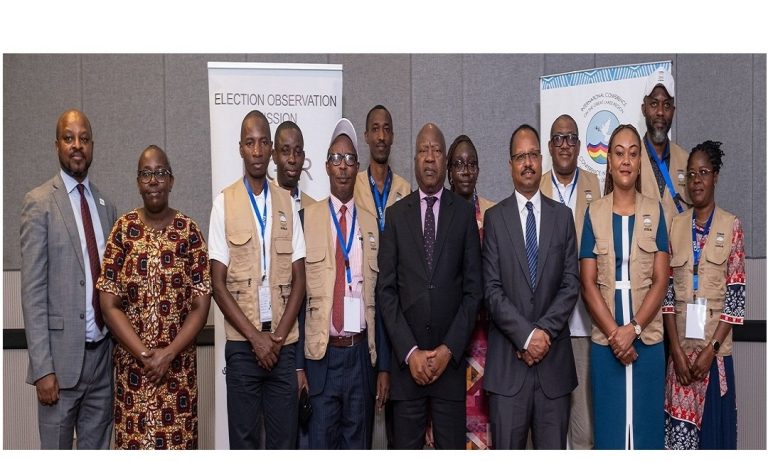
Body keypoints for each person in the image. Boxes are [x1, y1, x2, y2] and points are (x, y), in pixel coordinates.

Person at [97, 145, 211, 449]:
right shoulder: (122, 231)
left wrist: (168, 354)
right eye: (146, 174)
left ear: (171, 181)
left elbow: (201, 304)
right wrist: (145, 355)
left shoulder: (190, 232)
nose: (153, 181)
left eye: (160, 173)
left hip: (178, 375)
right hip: (134, 376)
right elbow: (108, 303)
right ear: (138, 182)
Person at [377, 122, 482, 449]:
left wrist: (448, 348)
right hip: (408, 370)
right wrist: (410, 352)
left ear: (444, 159)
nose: (430, 157)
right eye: (423, 150)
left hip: (449, 368)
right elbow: (386, 291)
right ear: (415, 159)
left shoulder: (463, 214)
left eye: (436, 150)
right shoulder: (396, 216)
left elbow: (474, 291)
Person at [208, 110, 306, 449]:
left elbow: (300, 280)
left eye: (264, 142)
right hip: (242, 346)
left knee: (284, 444)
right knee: (244, 443)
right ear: (240, 148)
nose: (257, 150)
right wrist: (255, 339)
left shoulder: (287, 203)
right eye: (250, 143)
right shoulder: (224, 203)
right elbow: (217, 284)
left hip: (282, 346)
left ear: (271, 150)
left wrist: (276, 340)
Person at [20, 109, 117, 449]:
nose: (77, 145)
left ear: (92, 146)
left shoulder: (105, 206)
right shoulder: (39, 204)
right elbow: (32, 293)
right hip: (59, 369)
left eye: (84, 139)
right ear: (57, 145)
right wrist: (43, 369)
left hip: (102, 362)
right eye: (69, 138)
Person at [483, 124, 579, 449]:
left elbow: (570, 284)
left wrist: (542, 335)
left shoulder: (563, 217)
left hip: (554, 371)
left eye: (533, 155)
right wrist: (525, 337)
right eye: (520, 156)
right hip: (508, 371)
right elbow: (491, 290)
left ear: (542, 159)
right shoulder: (495, 219)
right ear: (510, 164)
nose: (527, 163)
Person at [296, 118, 390, 448]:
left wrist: (384, 367)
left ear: (357, 167)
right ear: (326, 166)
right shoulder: (306, 219)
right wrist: (298, 367)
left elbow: (382, 299)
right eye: (336, 158)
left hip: (361, 357)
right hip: (321, 359)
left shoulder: (372, 224)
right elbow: (298, 299)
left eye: (350, 159)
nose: (343, 166)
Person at [580, 124, 669, 449]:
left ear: (640, 162)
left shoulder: (655, 211)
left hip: (648, 342)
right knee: (610, 434)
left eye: (633, 153)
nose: (626, 161)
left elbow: (661, 280)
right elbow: (587, 283)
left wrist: (633, 329)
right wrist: (615, 335)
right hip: (606, 345)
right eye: (619, 153)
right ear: (609, 162)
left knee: (648, 434)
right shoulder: (593, 213)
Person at [662, 141, 744, 449]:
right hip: (681, 359)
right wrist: (675, 352)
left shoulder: (731, 226)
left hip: (713, 357)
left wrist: (711, 350)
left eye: (704, 173)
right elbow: (667, 297)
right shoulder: (675, 226)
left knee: (713, 442)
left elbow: (735, 300)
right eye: (691, 174)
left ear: (715, 177)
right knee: (680, 444)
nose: (696, 181)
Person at [539, 114, 602, 449]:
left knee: (584, 429)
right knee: (545, 426)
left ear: (578, 145)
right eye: (558, 138)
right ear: (550, 147)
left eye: (571, 138)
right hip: (546, 325)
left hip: (583, 323)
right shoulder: (536, 187)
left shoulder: (596, 186)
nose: (564, 145)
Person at [353, 104, 409, 446]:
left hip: (398, 310)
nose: (381, 136)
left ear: (393, 136)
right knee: (360, 424)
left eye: (386, 128)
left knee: (397, 426)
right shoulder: (352, 185)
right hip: (361, 310)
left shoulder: (405, 188)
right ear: (365, 136)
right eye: (375, 129)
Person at [446, 134, 495, 449]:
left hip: (484, 340)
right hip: (447, 339)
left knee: (483, 424)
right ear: (449, 172)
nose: (466, 170)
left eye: (472, 164)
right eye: (459, 164)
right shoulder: (438, 213)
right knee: (448, 423)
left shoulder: (493, 214)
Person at [640, 67, 690, 228]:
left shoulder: (687, 162)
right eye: (654, 104)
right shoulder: (629, 160)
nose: (660, 112)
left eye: (667, 105)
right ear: (644, 109)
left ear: (673, 111)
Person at [272, 121, 316, 213]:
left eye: (297, 152)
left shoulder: (314, 209)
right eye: (285, 151)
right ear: (274, 156)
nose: (292, 159)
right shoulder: (263, 202)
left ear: (303, 157)